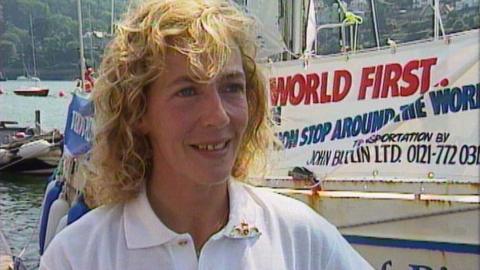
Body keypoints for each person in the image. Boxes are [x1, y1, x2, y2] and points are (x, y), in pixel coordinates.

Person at [39, 0, 373, 269]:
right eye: (187, 92)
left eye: (231, 88)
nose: (218, 115)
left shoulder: (301, 239)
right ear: (137, 113)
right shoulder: (78, 256)